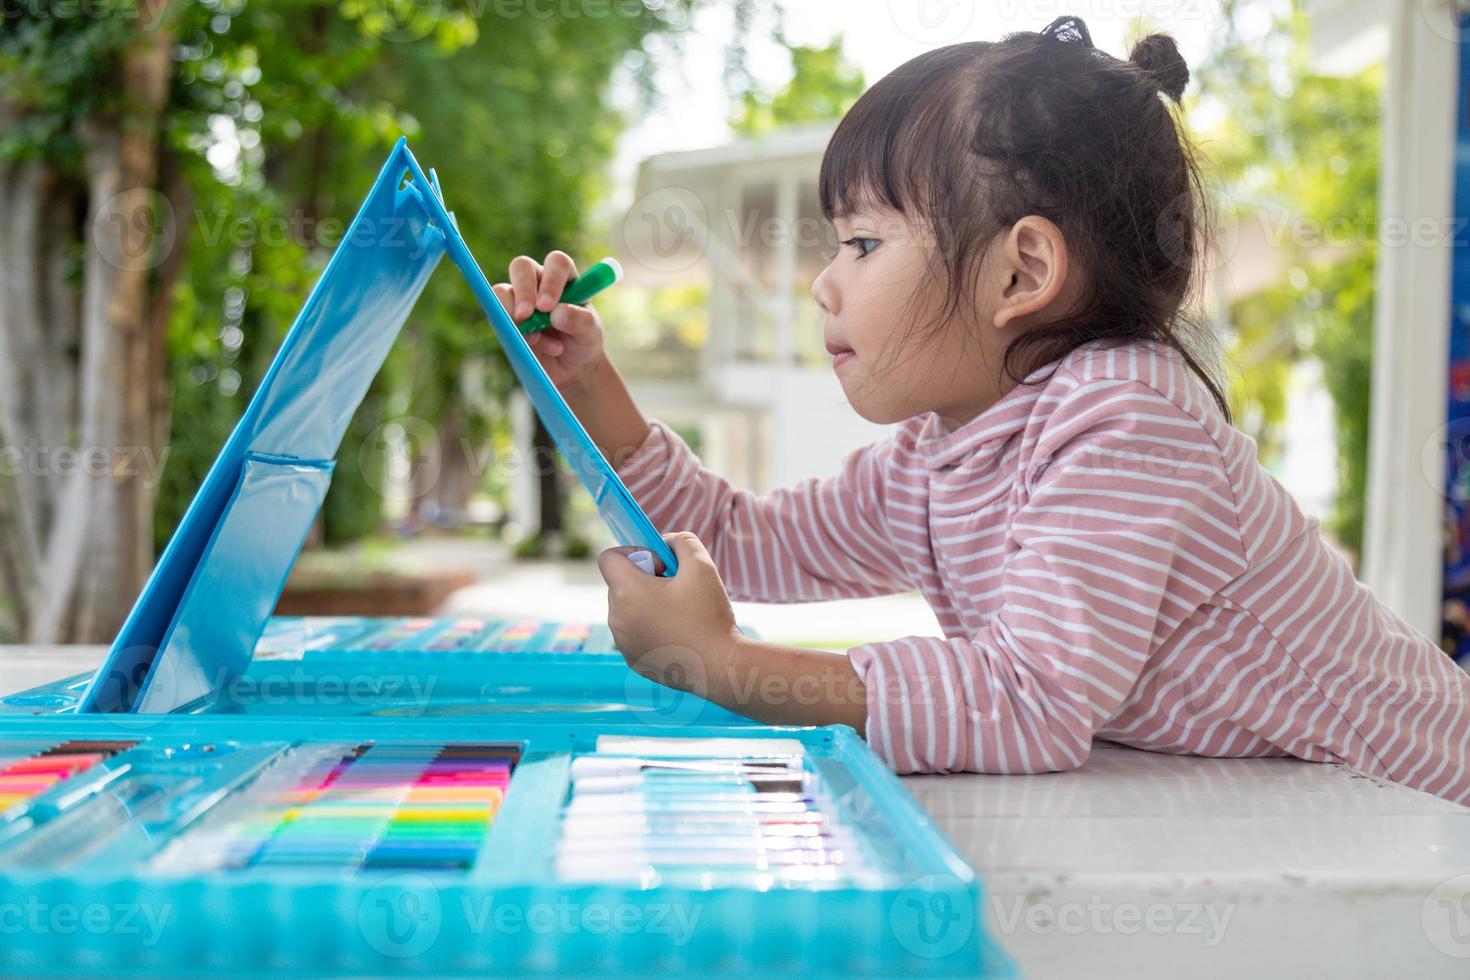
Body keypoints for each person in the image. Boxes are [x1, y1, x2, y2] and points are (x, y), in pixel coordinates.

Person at [492, 17, 1470, 803]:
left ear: (1023, 269)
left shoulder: (1125, 417)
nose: (824, 285)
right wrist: (586, 383)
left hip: (1431, 806)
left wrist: (725, 663)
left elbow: (1027, 701)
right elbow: (739, 539)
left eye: (863, 243)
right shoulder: (939, 453)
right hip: (1332, 827)